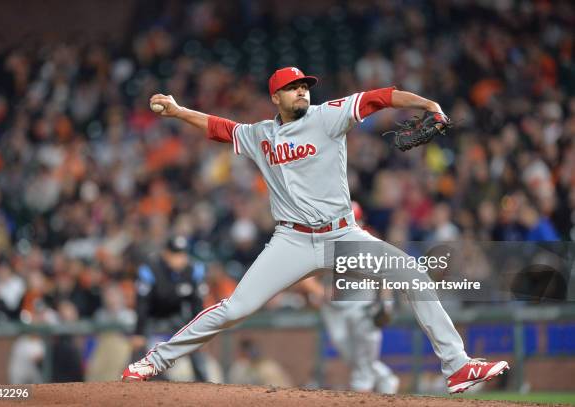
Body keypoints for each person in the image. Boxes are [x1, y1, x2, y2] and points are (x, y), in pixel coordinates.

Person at [122, 67, 509, 394]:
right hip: (291, 240)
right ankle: (153, 362)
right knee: (235, 308)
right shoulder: (260, 135)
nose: (302, 91)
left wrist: (426, 104)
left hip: (342, 236)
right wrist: (176, 111)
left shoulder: (328, 116)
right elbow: (219, 127)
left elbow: (380, 96)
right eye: (293, 88)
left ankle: (456, 366)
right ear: (276, 97)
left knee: (412, 273)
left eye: (305, 86)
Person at [320, 201, 399, 393]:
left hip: (363, 306)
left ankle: (363, 394)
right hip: (335, 308)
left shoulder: (370, 242)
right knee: (350, 356)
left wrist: (387, 303)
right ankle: (385, 378)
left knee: (362, 363)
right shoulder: (329, 241)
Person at [130, 235, 208, 382]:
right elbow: (142, 304)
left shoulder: (193, 271)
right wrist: (139, 332)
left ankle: (203, 381)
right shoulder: (149, 270)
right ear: (166, 254)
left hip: (176, 316)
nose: (180, 258)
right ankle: (134, 380)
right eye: (176, 254)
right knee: (139, 345)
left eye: (183, 254)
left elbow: (197, 305)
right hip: (152, 316)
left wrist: (200, 333)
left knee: (196, 340)